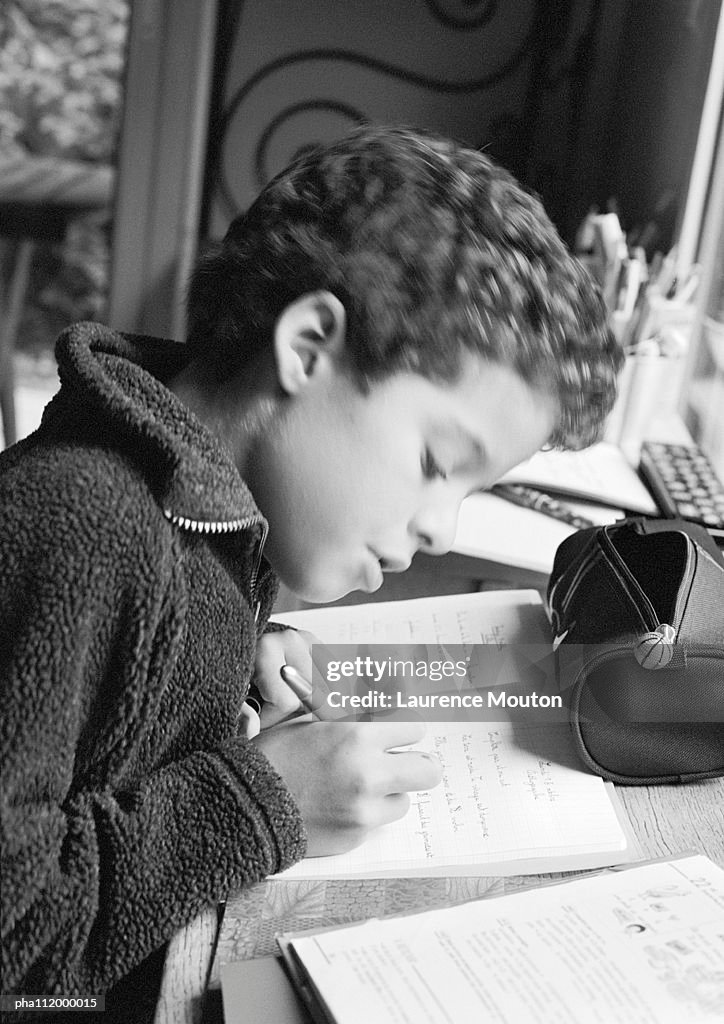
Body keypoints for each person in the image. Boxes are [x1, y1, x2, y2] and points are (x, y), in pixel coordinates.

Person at [0, 125, 622, 1010]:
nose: (442, 528)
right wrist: (262, 802)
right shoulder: (76, 522)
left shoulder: (198, 512)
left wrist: (229, 668)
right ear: (309, 347)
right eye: (440, 462)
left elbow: (108, 724)